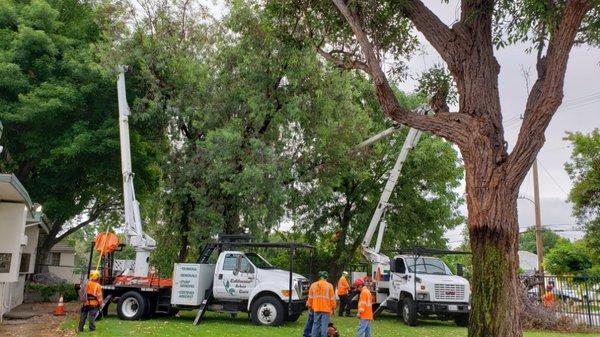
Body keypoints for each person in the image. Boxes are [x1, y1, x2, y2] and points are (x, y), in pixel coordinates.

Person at [308, 271, 336, 337]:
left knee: (316, 324)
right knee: (324, 326)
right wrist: (334, 307)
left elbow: (310, 298)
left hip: (316, 308)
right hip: (326, 309)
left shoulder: (313, 285)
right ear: (326, 277)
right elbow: (332, 299)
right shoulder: (329, 286)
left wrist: (310, 306)